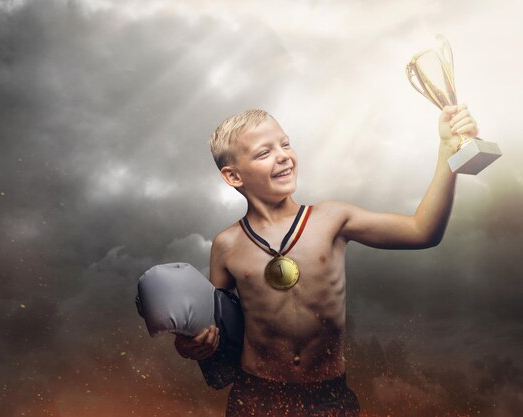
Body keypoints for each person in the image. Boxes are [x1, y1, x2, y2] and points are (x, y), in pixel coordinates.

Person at [174, 105, 478, 416]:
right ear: (233, 175)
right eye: (264, 152)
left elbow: (423, 231)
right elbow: (211, 329)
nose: (283, 156)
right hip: (256, 395)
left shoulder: (332, 218)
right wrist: (189, 346)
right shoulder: (227, 244)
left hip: (327, 396)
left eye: (286, 143)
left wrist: (447, 152)